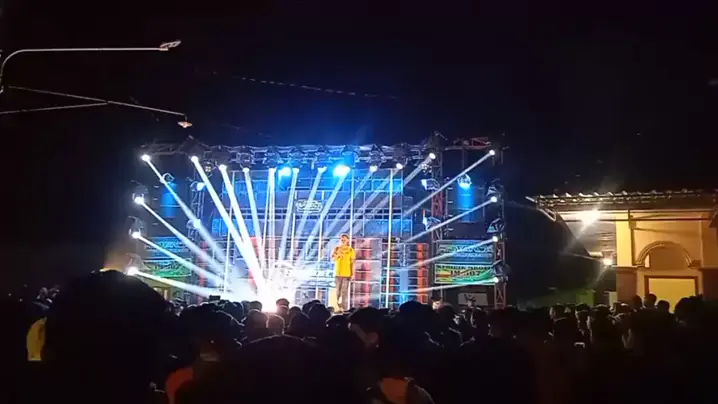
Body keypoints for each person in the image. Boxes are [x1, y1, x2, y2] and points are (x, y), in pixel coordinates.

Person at [331, 233, 355, 312]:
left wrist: (352, 274)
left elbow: (352, 263)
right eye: (342, 239)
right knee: (337, 291)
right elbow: (333, 259)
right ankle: (337, 307)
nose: (343, 240)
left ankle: (343, 309)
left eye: (345, 239)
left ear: (348, 240)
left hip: (346, 274)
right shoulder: (336, 248)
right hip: (338, 273)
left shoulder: (351, 250)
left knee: (344, 292)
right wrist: (338, 254)